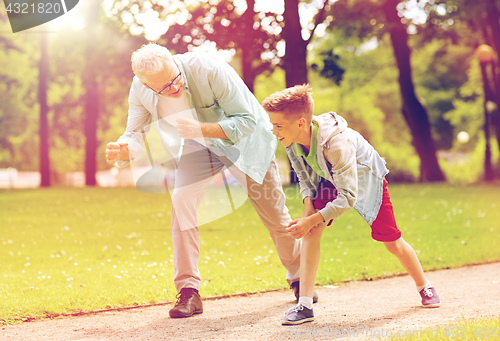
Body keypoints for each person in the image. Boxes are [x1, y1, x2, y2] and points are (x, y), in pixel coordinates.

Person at [105, 43, 316, 319]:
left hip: (247, 145)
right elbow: (134, 133)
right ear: (146, 84)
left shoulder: (209, 70)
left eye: (175, 79)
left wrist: (202, 128)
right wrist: (123, 149)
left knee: (275, 217)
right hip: (199, 148)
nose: (174, 89)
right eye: (164, 88)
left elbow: (248, 121)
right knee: (181, 202)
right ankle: (189, 291)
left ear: (174, 62)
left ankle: (301, 279)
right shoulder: (140, 88)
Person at [261, 84, 441, 326]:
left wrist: (313, 218)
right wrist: (308, 210)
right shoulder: (290, 140)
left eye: (278, 126)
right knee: (311, 232)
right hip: (329, 179)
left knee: (392, 242)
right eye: (273, 125)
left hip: (366, 182)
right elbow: (303, 177)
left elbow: (348, 197)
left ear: (301, 123)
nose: (274, 131)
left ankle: (425, 287)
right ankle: (304, 305)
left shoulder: (336, 144)